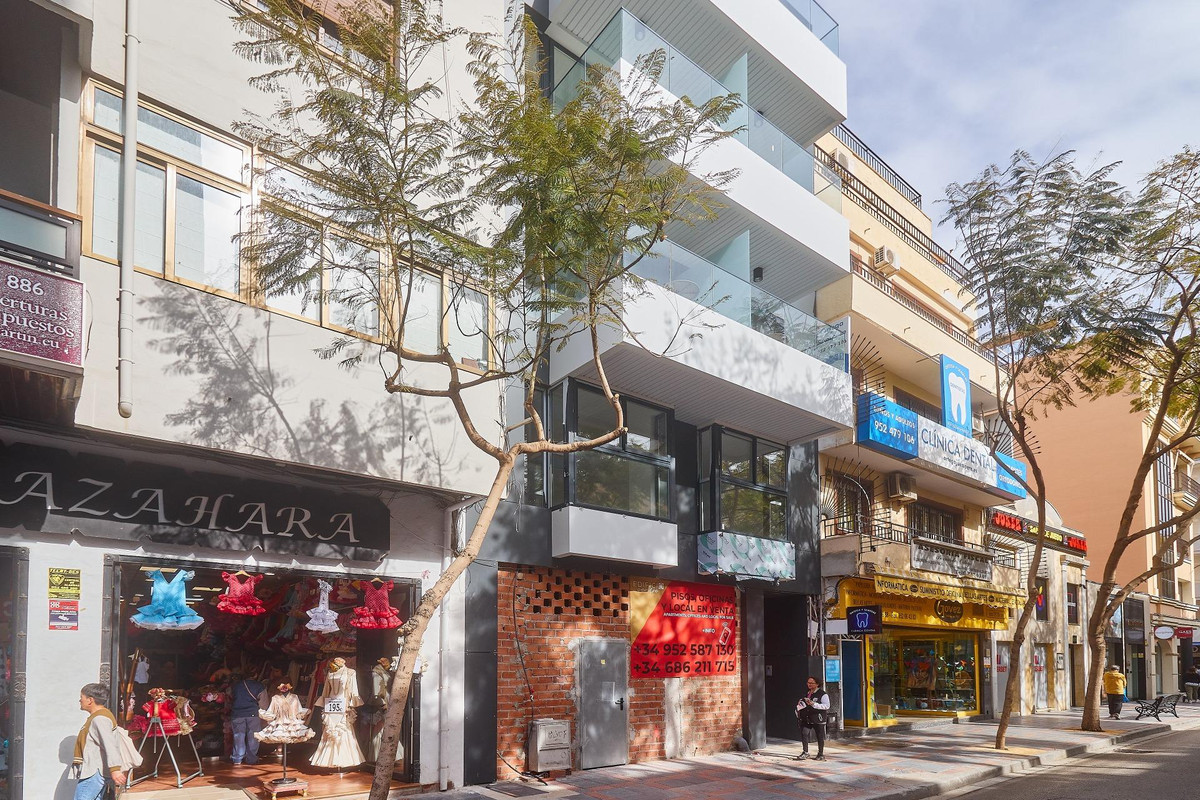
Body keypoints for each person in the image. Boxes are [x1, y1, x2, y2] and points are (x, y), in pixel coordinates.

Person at [73, 683, 126, 800]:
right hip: (95, 771)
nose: (80, 700)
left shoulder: (100, 719)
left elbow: (110, 744)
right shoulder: (98, 717)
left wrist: (115, 769)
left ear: (90, 700)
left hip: (94, 771)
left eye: (82, 697)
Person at [228, 672, 268, 766]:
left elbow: (229, 696)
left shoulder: (235, 686)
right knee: (253, 737)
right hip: (253, 714)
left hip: (237, 714)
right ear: (255, 675)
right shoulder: (259, 686)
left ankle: (237, 759)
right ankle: (251, 759)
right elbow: (264, 704)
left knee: (238, 736)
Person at [794, 676, 830, 761]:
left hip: (818, 718)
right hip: (807, 718)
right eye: (808, 683)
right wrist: (800, 704)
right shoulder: (807, 693)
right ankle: (805, 752)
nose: (809, 684)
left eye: (811, 683)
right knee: (804, 733)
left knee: (819, 736)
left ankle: (820, 754)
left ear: (817, 684)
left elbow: (827, 706)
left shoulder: (823, 694)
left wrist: (814, 704)